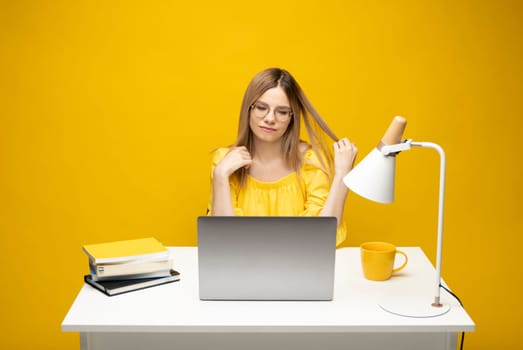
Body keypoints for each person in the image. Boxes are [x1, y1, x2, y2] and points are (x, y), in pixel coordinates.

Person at [206, 68, 358, 246]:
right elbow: (223, 240)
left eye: (282, 112)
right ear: (248, 110)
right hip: (242, 269)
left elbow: (323, 238)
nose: (270, 119)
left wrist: (342, 176)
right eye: (261, 108)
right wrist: (220, 176)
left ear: (292, 117)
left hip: (299, 268)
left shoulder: (311, 161)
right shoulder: (224, 161)